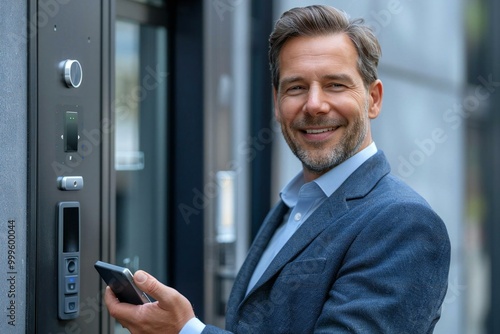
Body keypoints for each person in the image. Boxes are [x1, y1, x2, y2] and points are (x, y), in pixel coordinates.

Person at [104, 5, 451, 333]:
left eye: (335, 84)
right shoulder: (296, 204)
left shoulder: (404, 224)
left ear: (373, 99)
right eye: (297, 87)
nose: (314, 105)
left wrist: (185, 330)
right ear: (277, 102)